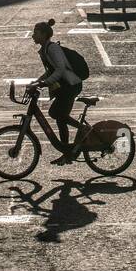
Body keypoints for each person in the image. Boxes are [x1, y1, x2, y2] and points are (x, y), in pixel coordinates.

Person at [31, 18, 82, 165]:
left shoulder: (52, 48)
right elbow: (51, 71)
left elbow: (60, 69)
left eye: (36, 33)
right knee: (60, 119)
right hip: (64, 87)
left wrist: (45, 83)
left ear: (44, 34)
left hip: (71, 85)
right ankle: (67, 154)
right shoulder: (45, 49)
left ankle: (83, 129)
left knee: (56, 113)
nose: (33, 36)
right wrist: (36, 81)